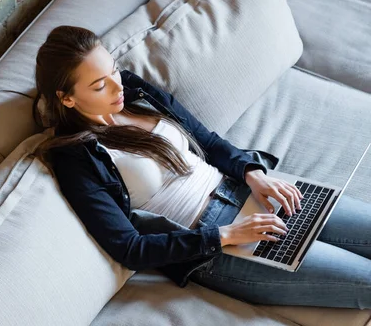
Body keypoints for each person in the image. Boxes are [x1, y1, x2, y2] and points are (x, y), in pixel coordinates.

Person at [28, 25, 371, 310]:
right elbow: (128, 248)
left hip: (244, 190)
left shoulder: (132, 90)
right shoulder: (75, 156)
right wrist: (228, 235)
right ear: (66, 98)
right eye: (99, 85)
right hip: (215, 244)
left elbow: (206, 140)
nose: (118, 85)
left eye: (113, 69)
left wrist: (254, 174)